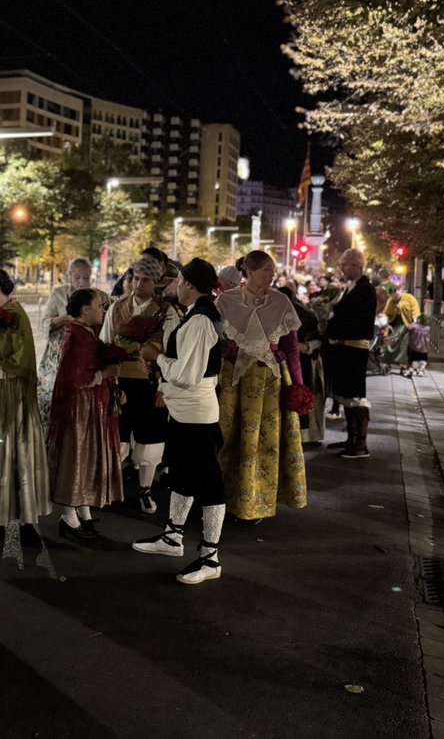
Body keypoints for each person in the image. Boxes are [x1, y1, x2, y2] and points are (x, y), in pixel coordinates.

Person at [133, 259, 227, 584]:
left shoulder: (200, 320)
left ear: (189, 284)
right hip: (185, 412)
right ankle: (173, 536)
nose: (174, 286)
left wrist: (156, 357)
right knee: (183, 475)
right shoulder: (198, 315)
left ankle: (210, 558)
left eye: (179, 280)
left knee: (209, 484)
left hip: (197, 414)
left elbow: (186, 375)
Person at [216, 249, 308, 521]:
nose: (272, 274)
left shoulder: (281, 302)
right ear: (249, 271)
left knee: (264, 442)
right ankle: (221, 499)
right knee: (228, 437)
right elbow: (215, 343)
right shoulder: (225, 301)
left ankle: (256, 502)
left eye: (272, 269)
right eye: (266, 269)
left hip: (270, 381)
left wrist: (298, 386)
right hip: (233, 380)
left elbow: (292, 350)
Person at [0, 268, 51, 529]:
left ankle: (9, 514)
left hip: (11, 395)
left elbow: (20, 357)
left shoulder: (15, 314)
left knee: (6, 450)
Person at [101, 257, 178, 514]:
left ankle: (145, 490)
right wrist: (109, 382)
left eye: (145, 279)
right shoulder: (117, 307)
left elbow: (172, 351)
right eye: (135, 278)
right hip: (120, 379)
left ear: (156, 282)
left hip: (151, 381)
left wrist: (164, 387)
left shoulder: (167, 311)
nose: (138, 284)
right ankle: (109, 487)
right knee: (117, 437)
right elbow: (105, 343)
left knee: (151, 439)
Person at [47, 288, 123, 539]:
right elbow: (75, 377)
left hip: (90, 406)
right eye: (99, 306)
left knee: (84, 457)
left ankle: (83, 512)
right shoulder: (77, 336)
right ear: (85, 309)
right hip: (79, 408)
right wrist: (105, 374)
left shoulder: (86, 333)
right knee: (76, 457)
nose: (102, 310)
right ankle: (69, 517)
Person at [37, 258, 108, 427]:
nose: (82, 281)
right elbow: (44, 323)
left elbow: (106, 325)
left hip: (87, 352)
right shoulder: (59, 294)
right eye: (78, 277)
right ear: (70, 276)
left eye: (86, 277)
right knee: (54, 399)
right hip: (59, 352)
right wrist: (65, 318)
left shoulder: (100, 296)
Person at [323, 248, 378, 459]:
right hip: (344, 347)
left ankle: (360, 444)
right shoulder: (352, 286)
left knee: (355, 395)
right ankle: (351, 438)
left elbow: (356, 319)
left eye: (344, 265)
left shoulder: (365, 289)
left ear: (356, 265)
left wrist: (335, 328)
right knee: (345, 394)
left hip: (354, 347)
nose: (342, 269)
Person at [278, 285, 326, 447]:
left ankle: (305, 436)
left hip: (304, 361)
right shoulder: (273, 313)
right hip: (284, 362)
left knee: (302, 396)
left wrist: (305, 347)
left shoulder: (306, 315)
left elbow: (319, 339)